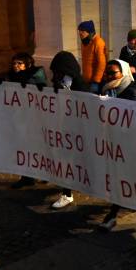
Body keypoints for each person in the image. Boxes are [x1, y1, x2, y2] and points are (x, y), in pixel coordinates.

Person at [97, 59, 136, 231]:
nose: (109, 76)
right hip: (114, 142)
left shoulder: (133, 91)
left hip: (130, 144)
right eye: (107, 72)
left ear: (123, 73)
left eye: (113, 73)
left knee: (122, 178)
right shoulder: (107, 91)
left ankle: (112, 215)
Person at [48, 51, 89, 208]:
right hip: (63, 128)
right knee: (64, 160)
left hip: (78, 130)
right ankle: (67, 193)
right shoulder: (58, 82)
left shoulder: (79, 84)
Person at [7, 52, 48, 189]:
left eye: (20, 63)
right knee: (23, 147)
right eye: (14, 63)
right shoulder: (12, 77)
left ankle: (43, 173)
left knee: (37, 147)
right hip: (20, 118)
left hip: (35, 119)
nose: (16, 66)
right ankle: (26, 176)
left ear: (28, 64)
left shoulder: (35, 77)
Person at [77, 20, 107, 93]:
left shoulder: (98, 42)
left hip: (95, 82)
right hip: (87, 80)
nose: (80, 33)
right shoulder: (85, 42)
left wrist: (96, 81)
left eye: (83, 31)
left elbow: (102, 63)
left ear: (89, 32)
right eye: (79, 31)